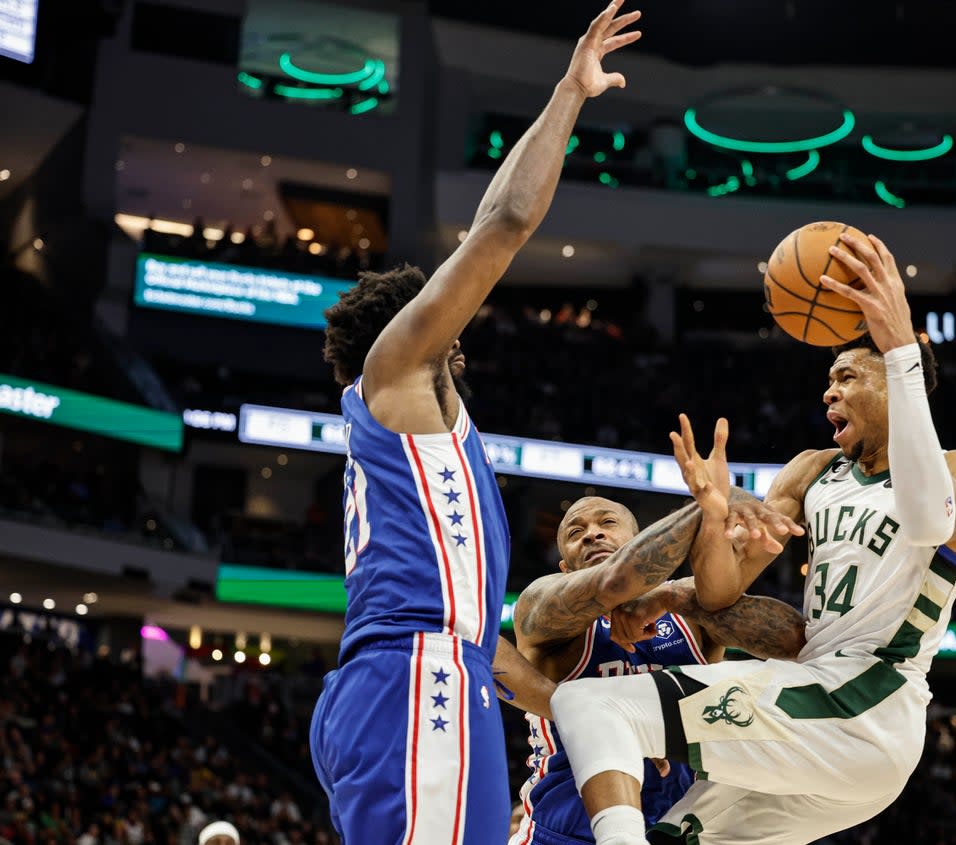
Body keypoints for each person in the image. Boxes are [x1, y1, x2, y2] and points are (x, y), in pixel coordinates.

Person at [308, 4, 643, 843]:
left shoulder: (404, 420)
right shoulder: (399, 369)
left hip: (417, 672)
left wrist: (579, 707)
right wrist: (569, 94)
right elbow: (503, 224)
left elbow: (486, 219)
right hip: (416, 675)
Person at [549, 231, 956, 845]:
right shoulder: (812, 472)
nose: (828, 391)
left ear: (897, 382)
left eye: (846, 376)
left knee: (590, 706)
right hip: (816, 718)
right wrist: (708, 519)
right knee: (674, 835)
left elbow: (927, 521)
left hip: (868, 704)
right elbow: (721, 590)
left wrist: (899, 346)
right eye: (828, 379)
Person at [509, 496, 807, 845]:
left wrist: (674, 595)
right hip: (563, 828)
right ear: (564, 569)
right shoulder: (543, 609)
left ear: (638, 542)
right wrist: (709, 504)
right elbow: (615, 580)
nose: (592, 535)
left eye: (606, 523)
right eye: (577, 531)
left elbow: (793, 640)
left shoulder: (687, 612)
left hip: (674, 825)